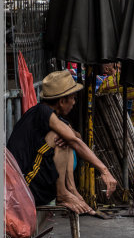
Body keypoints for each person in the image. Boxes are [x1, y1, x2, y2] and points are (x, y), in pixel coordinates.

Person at [7, 70, 117, 215]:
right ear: (62, 101)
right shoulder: (42, 111)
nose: (74, 102)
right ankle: (62, 193)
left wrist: (69, 136)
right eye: (72, 98)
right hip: (24, 186)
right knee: (60, 137)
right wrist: (104, 170)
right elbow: (74, 140)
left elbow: (75, 136)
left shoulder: (52, 116)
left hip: (34, 184)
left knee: (65, 138)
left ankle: (71, 189)